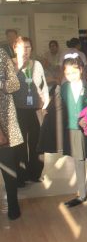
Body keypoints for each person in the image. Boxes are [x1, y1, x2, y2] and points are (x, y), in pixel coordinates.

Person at [12, 36, 49, 184]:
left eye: (28, 47)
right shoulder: (9, 64)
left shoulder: (37, 64)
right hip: (16, 110)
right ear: (15, 48)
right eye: (22, 47)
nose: (25, 51)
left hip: (35, 109)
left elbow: (43, 84)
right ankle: (20, 176)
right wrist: (18, 67)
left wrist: (45, 102)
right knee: (19, 144)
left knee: (37, 143)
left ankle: (35, 173)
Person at [60, 54, 87, 207]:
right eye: (67, 73)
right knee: (78, 161)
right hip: (72, 128)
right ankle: (82, 193)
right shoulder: (64, 88)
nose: (70, 76)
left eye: (74, 72)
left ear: (80, 69)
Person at [0, 47, 23, 220]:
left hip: (5, 121)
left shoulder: (1, 54)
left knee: (9, 169)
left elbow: (15, 84)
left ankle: (13, 208)